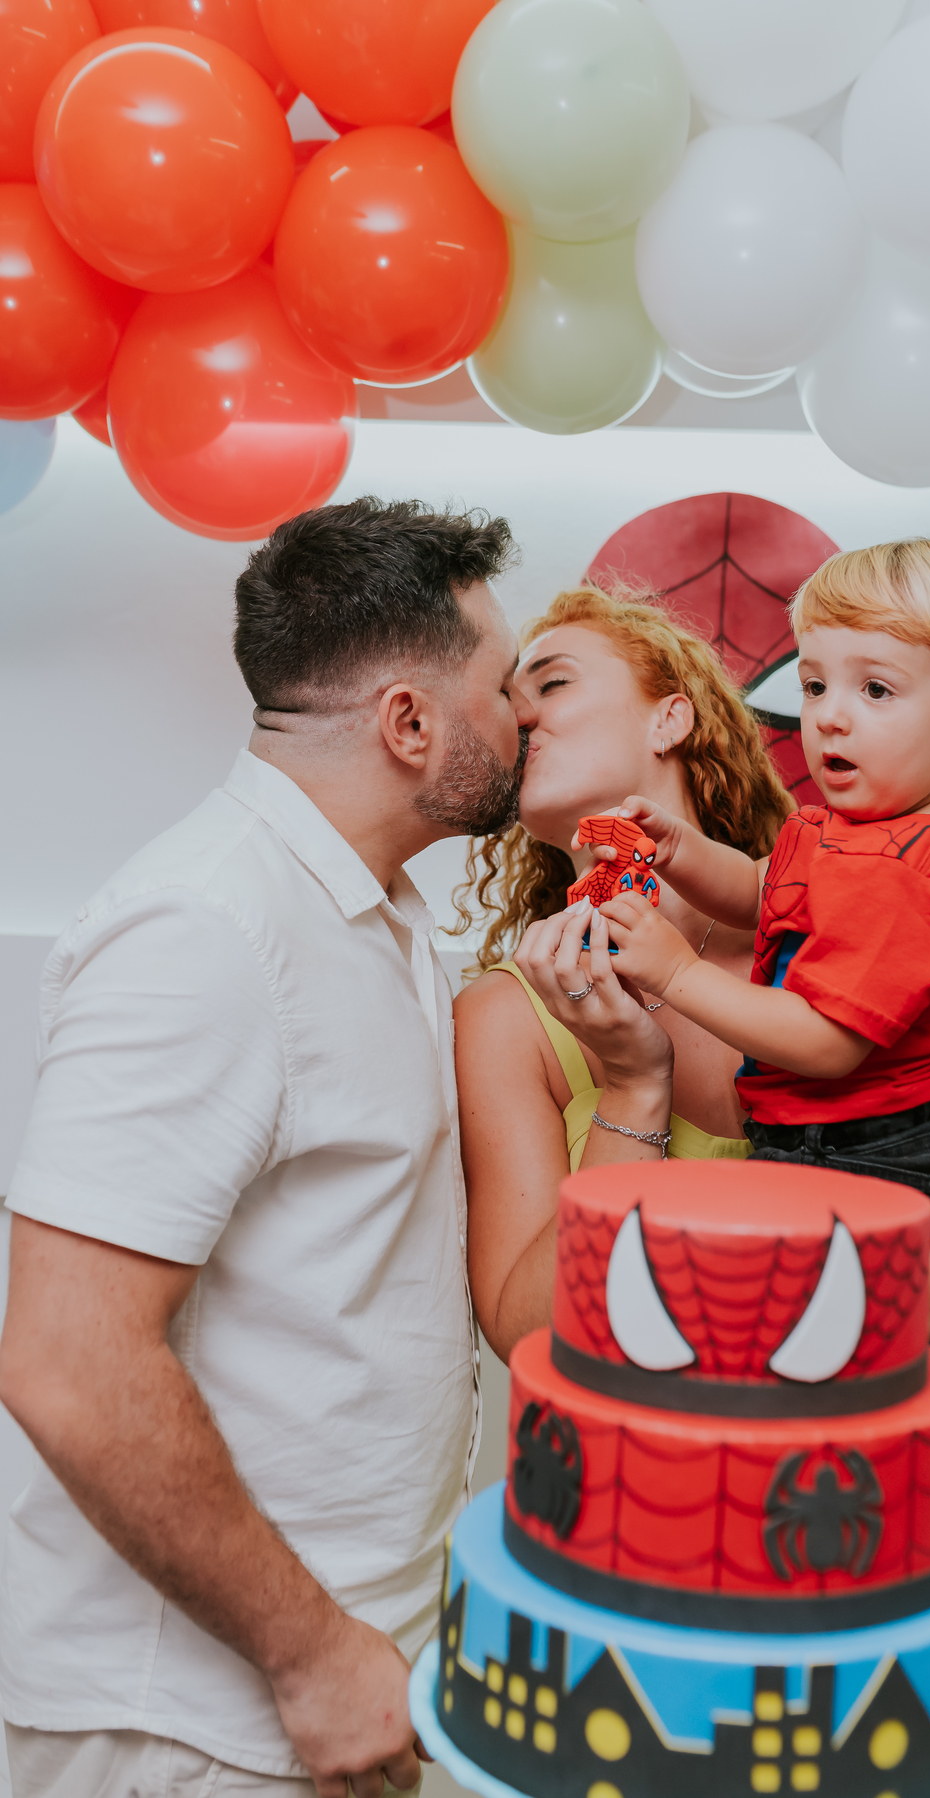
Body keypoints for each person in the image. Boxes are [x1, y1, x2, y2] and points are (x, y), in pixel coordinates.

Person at [454, 579, 930, 1672]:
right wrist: (632, 1091)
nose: (517, 710)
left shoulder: (865, 926)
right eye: (505, 696)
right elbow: (529, 1333)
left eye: (550, 679)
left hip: (862, 1536)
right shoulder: (511, 1013)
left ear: (674, 712)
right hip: (658, 1561)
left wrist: (852, 1341)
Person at [0, 498, 535, 1798]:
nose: (528, 714)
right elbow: (68, 1363)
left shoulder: (382, 912)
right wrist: (312, 1657)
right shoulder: (207, 926)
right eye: (507, 684)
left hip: (335, 1679)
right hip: (191, 1720)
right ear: (412, 722)